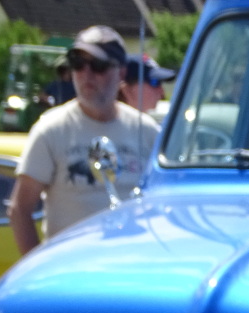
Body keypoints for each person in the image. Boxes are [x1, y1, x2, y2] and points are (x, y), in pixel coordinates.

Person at [9, 25, 159, 257]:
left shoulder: (146, 131)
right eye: (78, 64)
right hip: (71, 270)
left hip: (131, 265)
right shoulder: (51, 129)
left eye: (98, 65)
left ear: (120, 73)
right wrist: (38, 266)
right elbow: (20, 209)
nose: (86, 74)